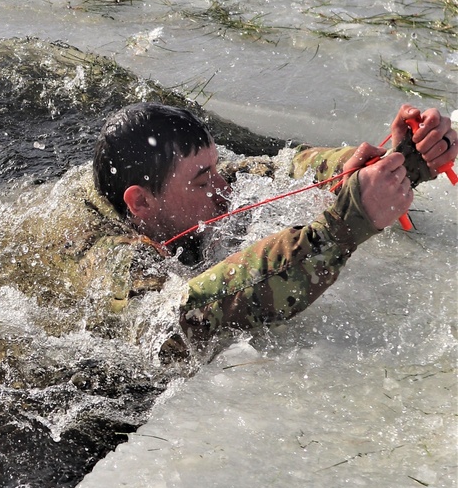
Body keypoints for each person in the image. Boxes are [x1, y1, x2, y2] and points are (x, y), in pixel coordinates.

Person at [89, 102, 456, 361]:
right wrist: (344, 225)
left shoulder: (179, 189)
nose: (226, 190)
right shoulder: (108, 256)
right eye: (203, 183)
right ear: (140, 203)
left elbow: (285, 170)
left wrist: (396, 159)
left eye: (217, 170)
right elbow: (173, 324)